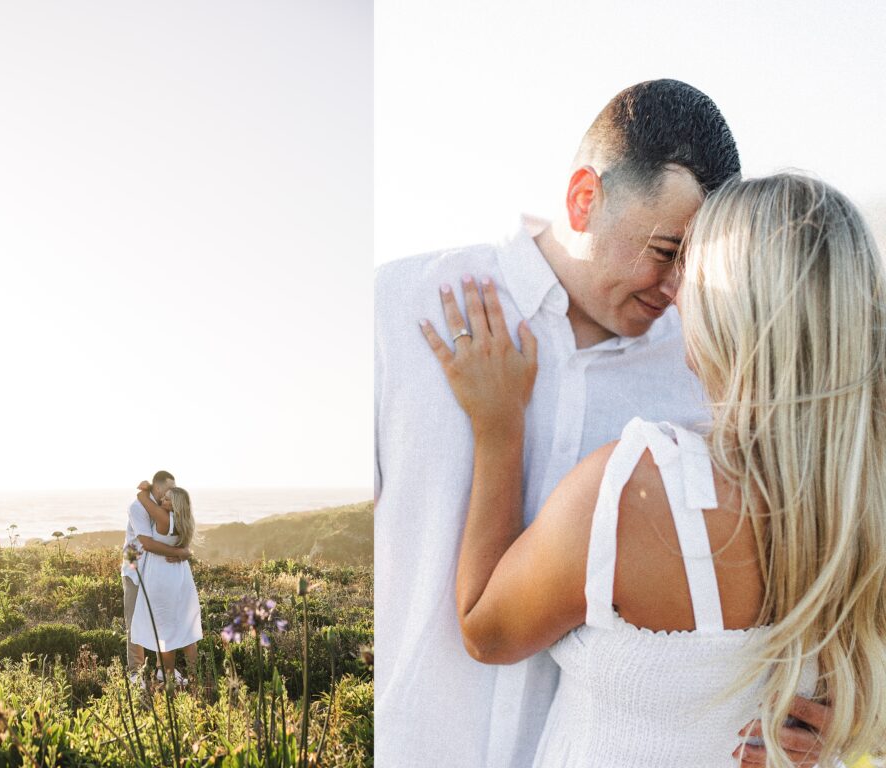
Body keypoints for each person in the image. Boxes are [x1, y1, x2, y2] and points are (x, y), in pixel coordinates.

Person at [374, 79, 827, 767]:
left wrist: (813, 709)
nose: (678, 289)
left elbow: (778, 584)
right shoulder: (397, 312)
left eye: (698, 265)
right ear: (585, 199)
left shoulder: (711, 373)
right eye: (666, 251)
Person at [421, 173, 885, 766]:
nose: (672, 294)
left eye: (687, 271)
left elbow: (487, 631)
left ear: (732, 308)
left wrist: (500, 427)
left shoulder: (639, 490)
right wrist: (847, 728)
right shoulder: (866, 499)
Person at [128, 484, 204, 686]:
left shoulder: (164, 519)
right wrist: (183, 553)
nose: (163, 502)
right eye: (164, 498)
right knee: (186, 629)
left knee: (164, 629)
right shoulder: (185, 521)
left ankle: (168, 676)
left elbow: (142, 498)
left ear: (177, 505)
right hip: (181, 575)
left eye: (168, 499)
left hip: (162, 578)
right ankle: (196, 677)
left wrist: (146, 488)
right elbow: (184, 549)